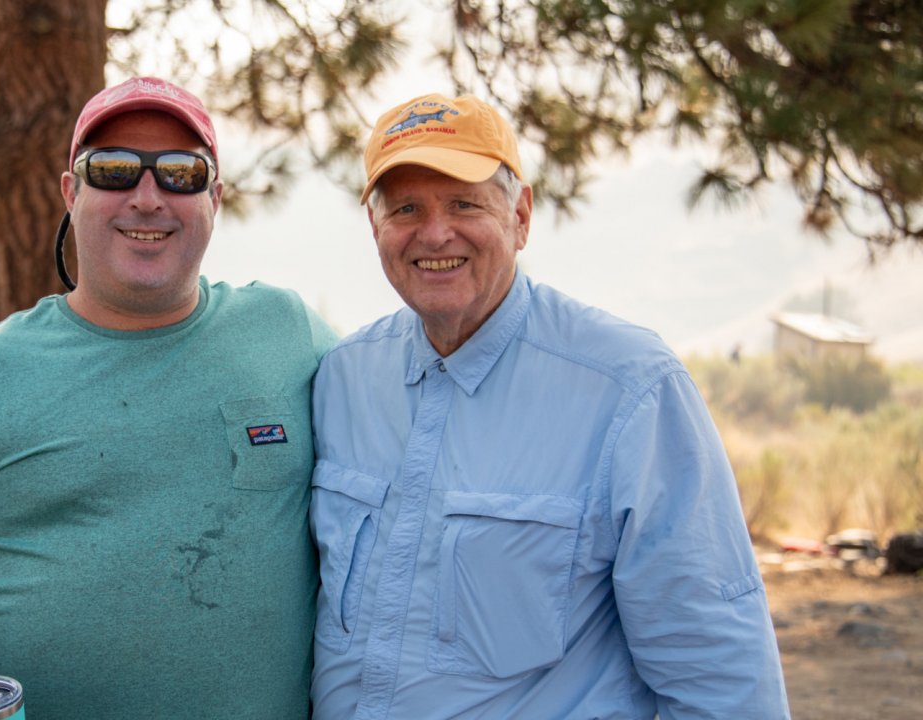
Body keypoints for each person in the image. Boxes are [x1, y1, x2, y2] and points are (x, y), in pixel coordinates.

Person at [0, 76, 337, 718]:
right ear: (70, 192)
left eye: (180, 174)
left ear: (214, 197)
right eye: (112, 170)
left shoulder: (288, 332)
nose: (147, 197)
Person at [308, 93, 790, 719]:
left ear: (521, 216)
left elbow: (720, 674)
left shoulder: (629, 389)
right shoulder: (341, 379)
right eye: (406, 208)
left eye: (463, 203)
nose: (434, 232)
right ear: (375, 227)